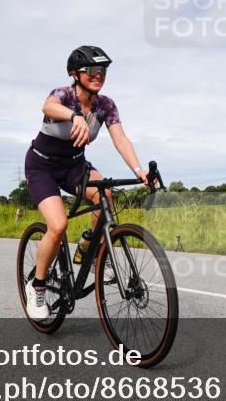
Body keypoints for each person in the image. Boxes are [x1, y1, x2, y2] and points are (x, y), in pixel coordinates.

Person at [23, 46, 148, 321]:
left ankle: (89, 252)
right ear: (75, 74)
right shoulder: (64, 95)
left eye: (102, 71)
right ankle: (38, 286)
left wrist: (139, 170)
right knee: (57, 226)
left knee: (105, 197)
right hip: (42, 166)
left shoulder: (106, 105)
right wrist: (74, 115)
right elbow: (47, 106)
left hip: (75, 167)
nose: (98, 75)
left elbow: (120, 139)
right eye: (91, 70)